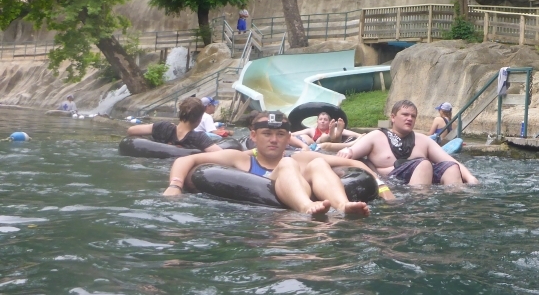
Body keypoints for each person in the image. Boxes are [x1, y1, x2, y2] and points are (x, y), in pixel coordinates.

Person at [165, 110, 385, 215]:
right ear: (253, 136)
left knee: (318, 164)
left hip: (307, 212)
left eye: (280, 134)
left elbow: (357, 165)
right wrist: (175, 185)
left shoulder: (302, 158)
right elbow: (187, 159)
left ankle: (342, 206)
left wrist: (383, 188)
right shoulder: (240, 159)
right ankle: (306, 207)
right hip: (271, 222)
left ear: (289, 139)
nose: (274, 140)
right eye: (267, 134)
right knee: (287, 164)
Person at [339, 100, 478, 186]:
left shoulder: (423, 140)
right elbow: (350, 154)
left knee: (451, 168)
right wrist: (347, 150)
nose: (409, 118)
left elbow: (450, 160)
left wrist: (470, 178)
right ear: (393, 117)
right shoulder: (376, 136)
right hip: (394, 187)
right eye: (405, 114)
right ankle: (416, 209)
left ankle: (454, 207)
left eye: (413, 116)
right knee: (424, 164)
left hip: (426, 186)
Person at [128, 97, 222, 152]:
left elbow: (131, 130)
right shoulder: (199, 138)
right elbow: (221, 154)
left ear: (180, 114)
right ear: (199, 119)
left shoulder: (163, 127)